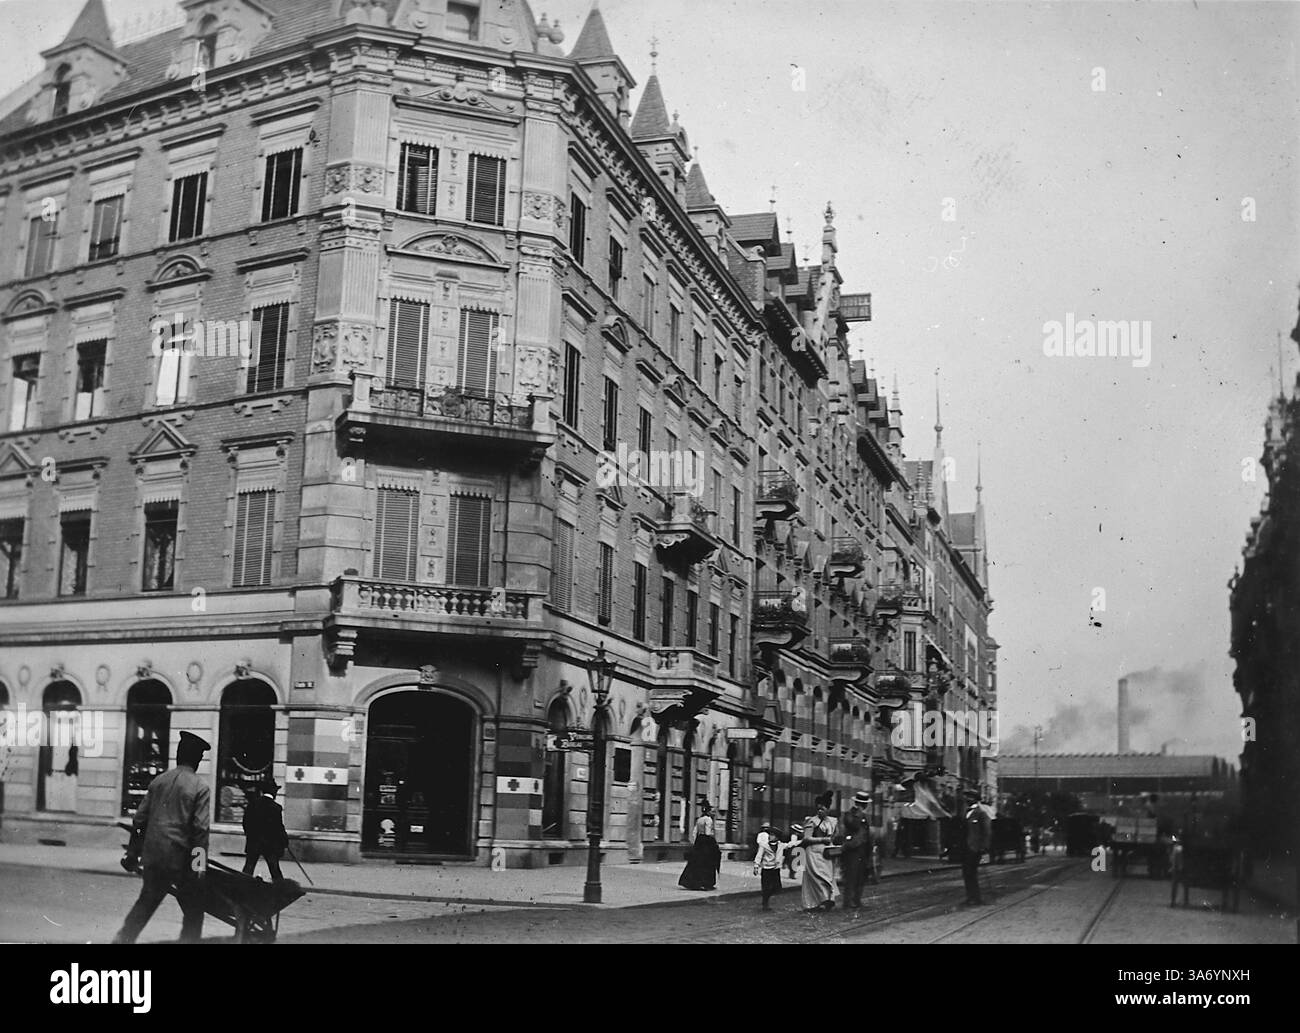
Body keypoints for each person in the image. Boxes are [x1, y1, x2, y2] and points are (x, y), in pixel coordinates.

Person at [113, 730, 211, 944]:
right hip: (180, 859)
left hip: (153, 855)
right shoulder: (200, 787)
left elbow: (139, 821)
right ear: (197, 759)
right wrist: (199, 867)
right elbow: (200, 830)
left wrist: (132, 854)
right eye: (201, 757)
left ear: (178, 755)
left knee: (147, 901)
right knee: (194, 909)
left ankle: (122, 940)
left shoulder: (158, 782)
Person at [242, 776, 288, 881]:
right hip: (269, 845)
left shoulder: (252, 805)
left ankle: (241, 889)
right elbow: (279, 828)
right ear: (274, 792)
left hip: (254, 842)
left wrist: (250, 835)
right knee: (275, 869)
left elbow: (245, 823)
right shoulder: (276, 808)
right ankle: (281, 890)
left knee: (248, 868)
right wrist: (284, 841)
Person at [801, 790, 840, 911]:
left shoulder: (833, 821)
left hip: (827, 853)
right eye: (818, 809)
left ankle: (828, 899)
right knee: (817, 877)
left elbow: (837, 833)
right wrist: (823, 839)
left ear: (828, 809)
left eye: (822, 809)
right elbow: (807, 838)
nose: (820, 811)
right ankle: (818, 901)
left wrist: (832, 839)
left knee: (828, 876)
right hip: (813, 853)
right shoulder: (811, 821)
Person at [678, 801, 721, 890]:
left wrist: (696, 842)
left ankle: (692, 882)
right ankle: (707, 883)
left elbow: (695, 832)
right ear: (708, 811)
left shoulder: (699, 820)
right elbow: (708, 833)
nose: (712, 813)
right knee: (708, 862)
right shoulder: (708, 820)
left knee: (696, 862)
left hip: (699, 842)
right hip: (706, 842)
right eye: (711, 811)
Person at [840, 789, 872, 909]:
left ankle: (857, 900)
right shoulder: (850, 815)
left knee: (861, 877)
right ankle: (848, 902)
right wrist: (858, 813)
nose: (865, 806)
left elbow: (867, 834)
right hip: (852, 850)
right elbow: (854, 826)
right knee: (851, 876)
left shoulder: (864, 816)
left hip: (863, 850)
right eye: (864, 804)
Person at [961, 788, 993, 905]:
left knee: (971, 873)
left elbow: (987, 832)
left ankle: (976, 898)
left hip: (975, 848)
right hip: (966, 847)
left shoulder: (981, 813)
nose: (966, 799)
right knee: (966, 873)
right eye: (966, 797)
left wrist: (984, 848)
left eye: (969, 797)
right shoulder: (965, 812)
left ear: (975, 799)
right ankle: (970, 897)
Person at [753, 822, 787, 910]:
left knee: (777, 888)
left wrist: (804, 841)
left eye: (772, 835)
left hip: (775, 869)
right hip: (766, 869)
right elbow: (759, 855)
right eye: (770, 834)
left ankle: (766, 897)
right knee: (765, 887)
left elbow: (791, 844)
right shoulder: (764, 845)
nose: (770, 836)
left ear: (777, 837)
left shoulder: (781, 845)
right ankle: (765, 903)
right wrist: (756, 866)